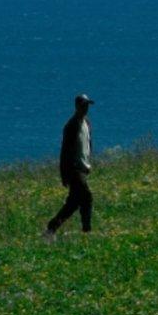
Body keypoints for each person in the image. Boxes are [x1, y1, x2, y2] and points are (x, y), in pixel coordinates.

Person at [44, 94, 94, 238]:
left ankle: (52, 227)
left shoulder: (87, 123)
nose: (86, 108)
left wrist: (88, 163)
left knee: (73, 203)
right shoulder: (71, 126)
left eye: (87, 105)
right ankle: (87, 231)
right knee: (87, 197)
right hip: (74, 169)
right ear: (77, 106)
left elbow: (88, 144)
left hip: (83, 168)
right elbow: (64, 152)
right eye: (84, 105)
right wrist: (64, 175)